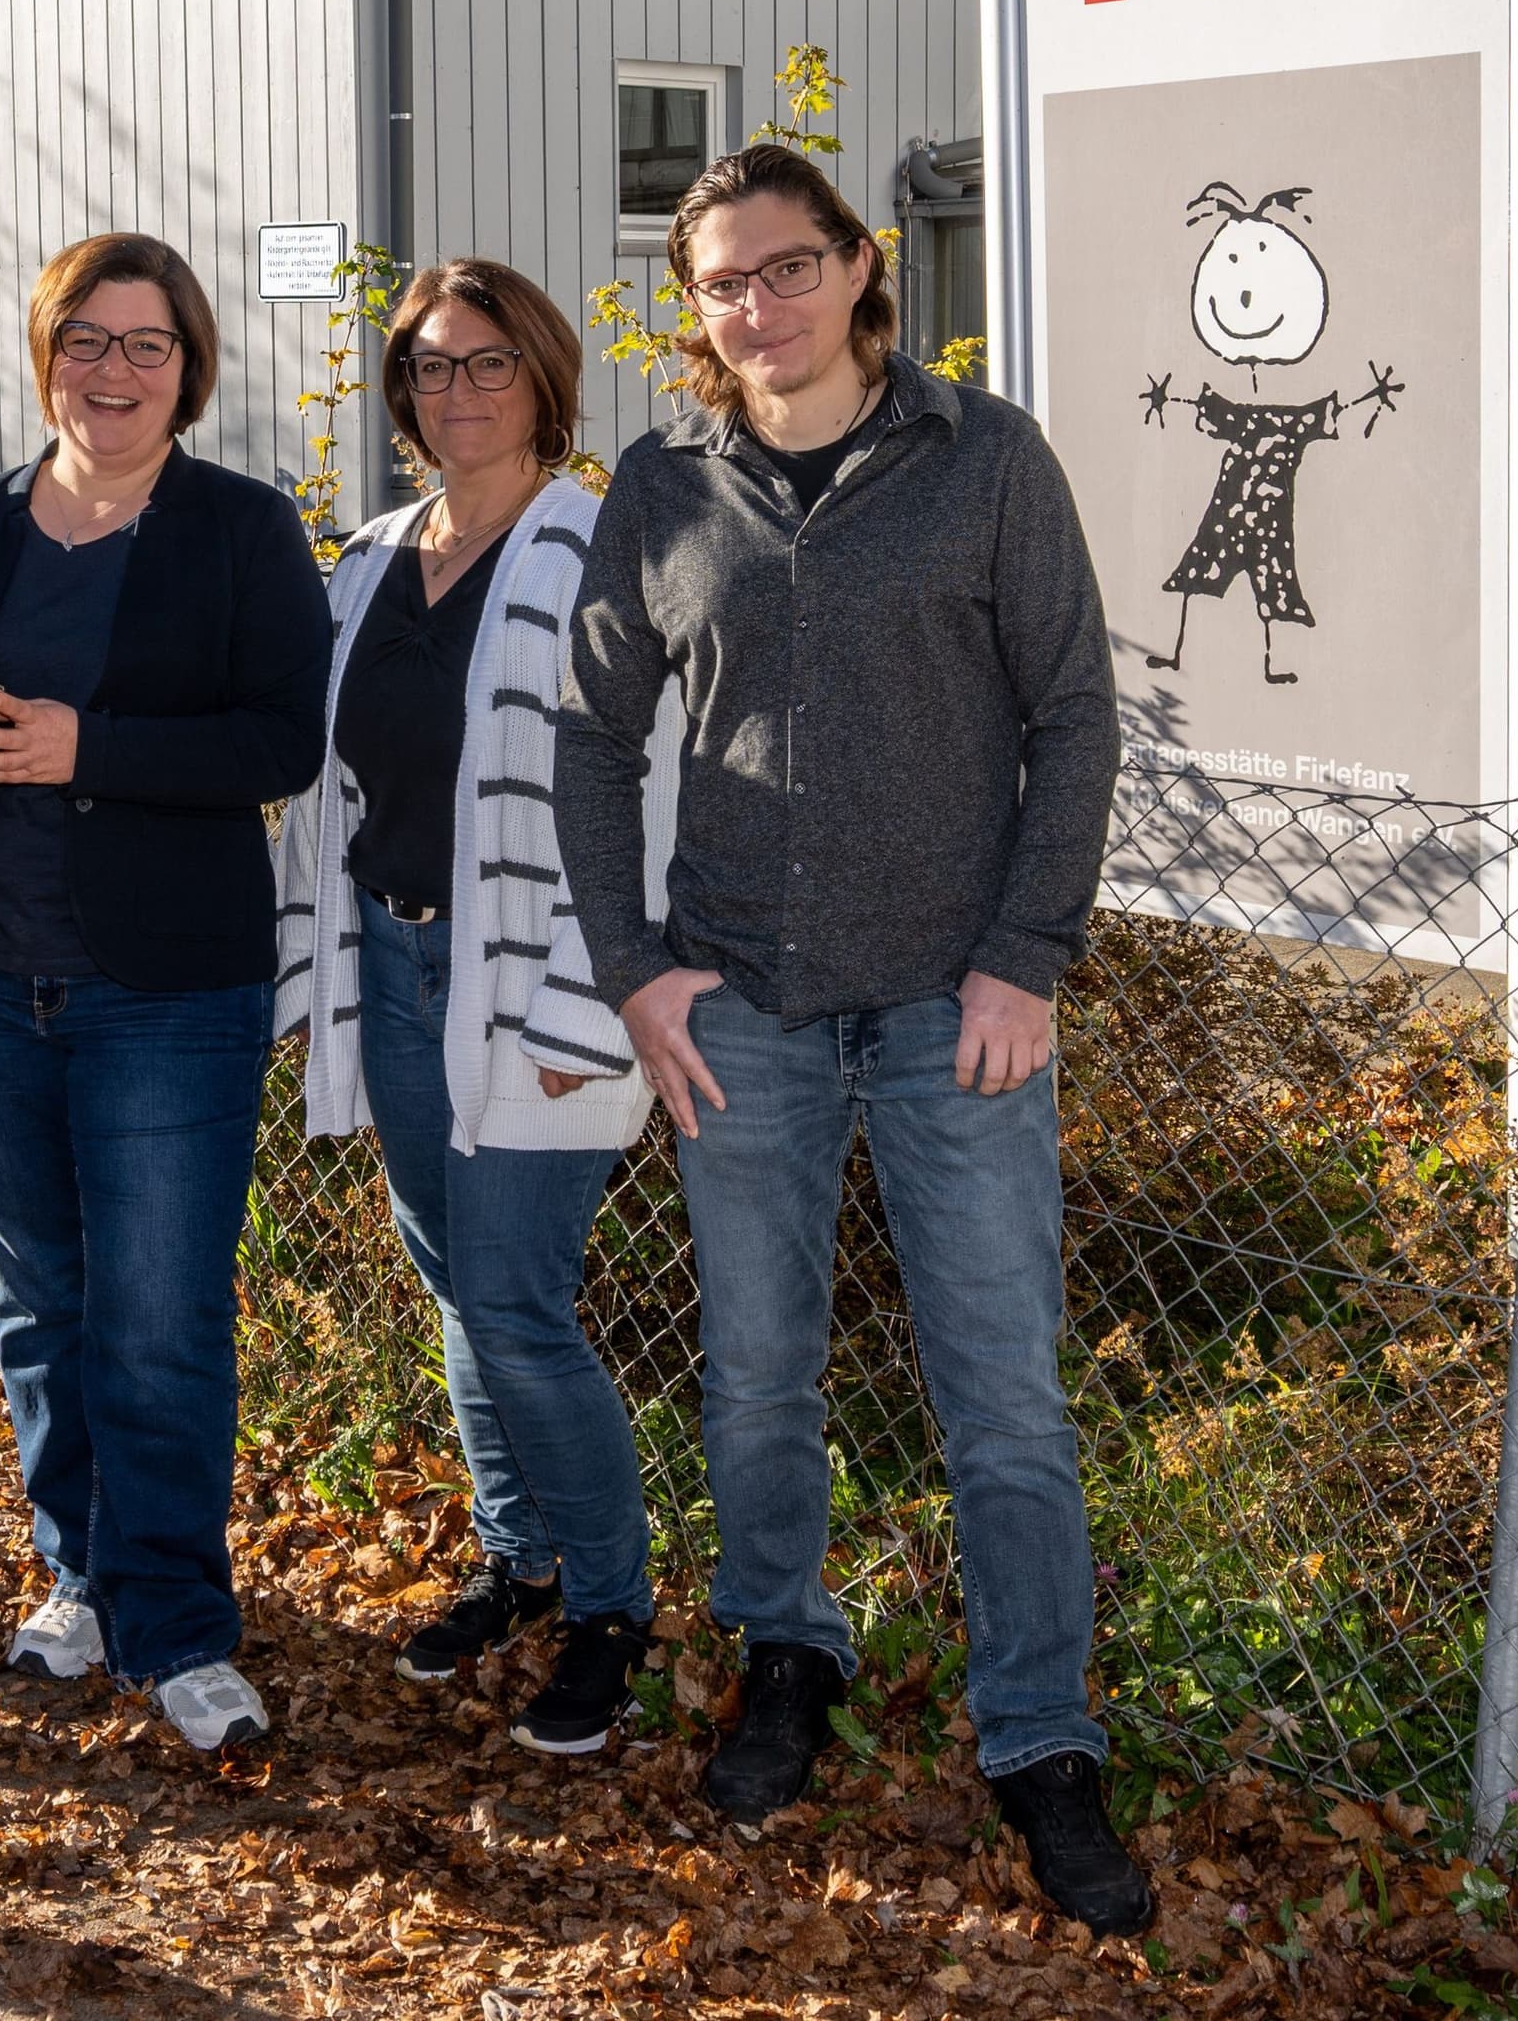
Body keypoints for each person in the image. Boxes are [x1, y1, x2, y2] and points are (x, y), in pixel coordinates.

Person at [553, 142, 1151, 1932]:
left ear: (859, 266)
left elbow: (1076, 713)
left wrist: (1026, 957)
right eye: (726, 283)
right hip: (741, 1004)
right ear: (700, 307)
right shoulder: (663, 488)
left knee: (1006, 1402)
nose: (760, 306)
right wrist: (636, 971)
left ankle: (1042, 1736)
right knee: (755, 1380)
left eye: (787, 268)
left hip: (956, 1010)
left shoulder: (984, 461)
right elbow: (592, 737)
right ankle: (785, 1657)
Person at [0, 234, 330, 1751]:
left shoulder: (242, 531)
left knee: (161, 1319)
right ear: (43, 352)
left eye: (146, 345)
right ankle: (81, 1576)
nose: (113, 371)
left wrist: (95, 749)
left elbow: (280, 744)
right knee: (42, 1303)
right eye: (87, 339)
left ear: (190, 366)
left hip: (165, 991)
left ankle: (182, 1625)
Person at [272, 258, 678, 1756]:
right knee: (458, 1293)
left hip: (536, 983)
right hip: (395, 967)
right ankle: (519, 1561)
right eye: (431, 368)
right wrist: (328, 968)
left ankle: (614, 1606)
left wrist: (599, 1007)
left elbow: (654, 792)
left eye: (486, 363)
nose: (457, 392)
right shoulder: (371, 556)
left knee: (517, 1299)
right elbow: (333, 784)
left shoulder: (598, 546)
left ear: (544, 375)